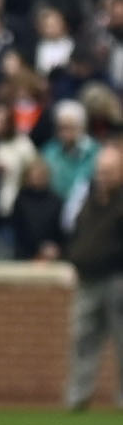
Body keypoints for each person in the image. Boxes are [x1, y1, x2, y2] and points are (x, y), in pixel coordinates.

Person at [67, 145, 123, 411]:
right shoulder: (88, 197)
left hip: (117, 278)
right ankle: (78, 397)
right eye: (101, 171)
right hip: (88, 277)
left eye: (110, 171)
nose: (103, 176)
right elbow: (76, 227)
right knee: (82, 338)